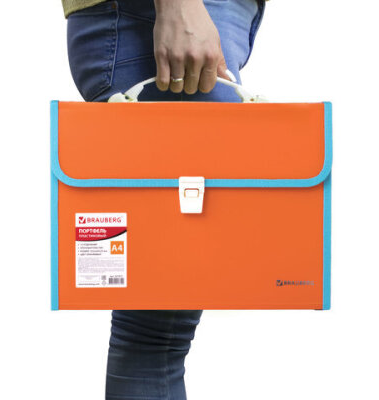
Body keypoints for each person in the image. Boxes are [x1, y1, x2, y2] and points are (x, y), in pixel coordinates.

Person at [63, 0, 266, 398]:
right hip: (160, 16)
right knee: (153, 336)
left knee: (156, 332)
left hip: (192, 17)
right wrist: (178, 6)